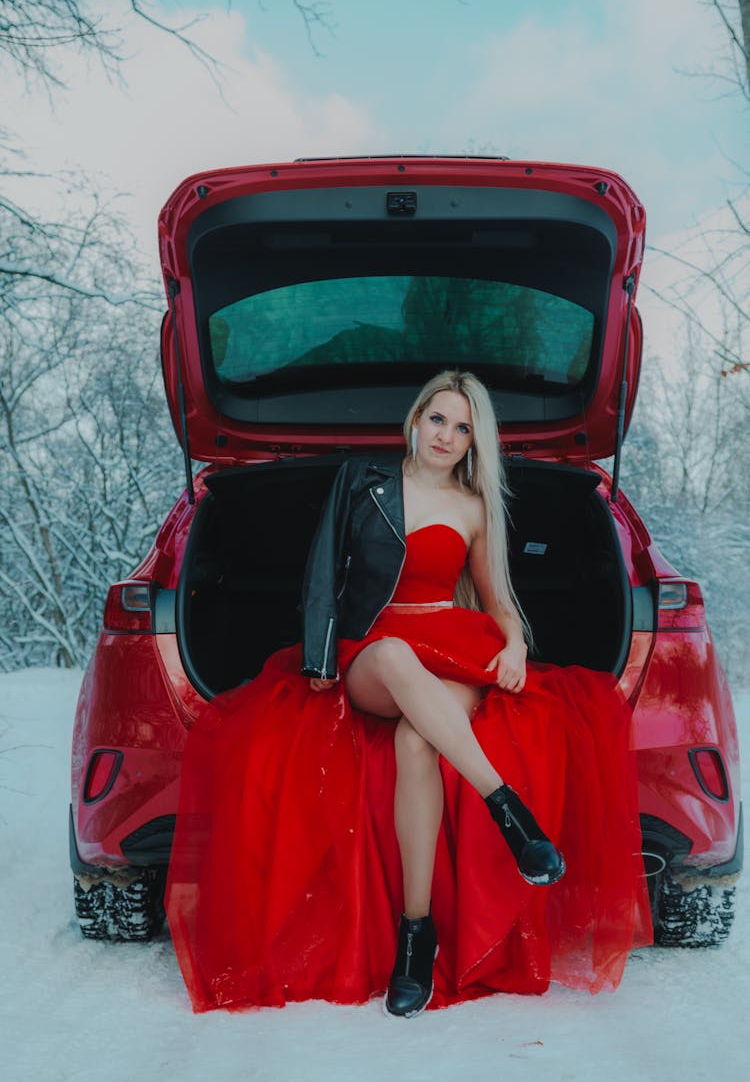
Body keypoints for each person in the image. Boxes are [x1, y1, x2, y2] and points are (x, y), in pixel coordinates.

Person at [166, 370, 651, 1017]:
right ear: (416, 419)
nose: (446, 436)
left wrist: (511, 645)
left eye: (462, 427)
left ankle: (416, 936)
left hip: (456, 645)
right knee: (394, 657)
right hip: (375, 647)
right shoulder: (365, 483)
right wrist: (317, 652)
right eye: (438, 419)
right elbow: (321, 568)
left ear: (475, 441)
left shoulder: (474, 507)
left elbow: (500, 599)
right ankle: (508, 809)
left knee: (417, 740)